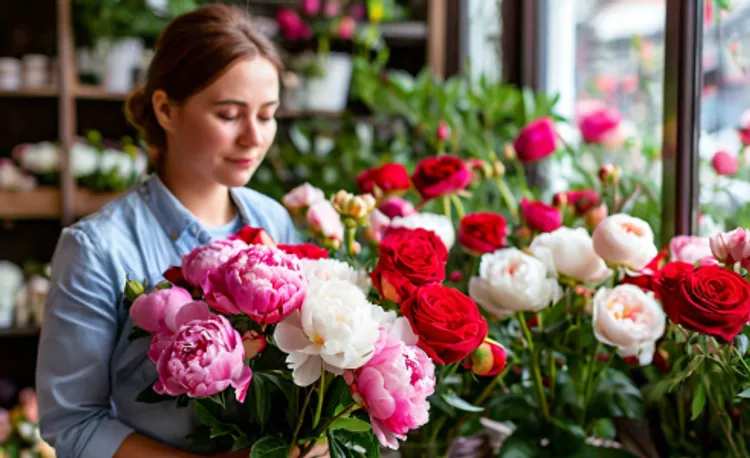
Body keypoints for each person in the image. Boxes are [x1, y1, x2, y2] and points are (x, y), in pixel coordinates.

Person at [35, 5, 324, 458]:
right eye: (230, 115)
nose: (254, 138)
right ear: (166, 109)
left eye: (266, 116)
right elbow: (73, 422)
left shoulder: (272, 222)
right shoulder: (98, 250)